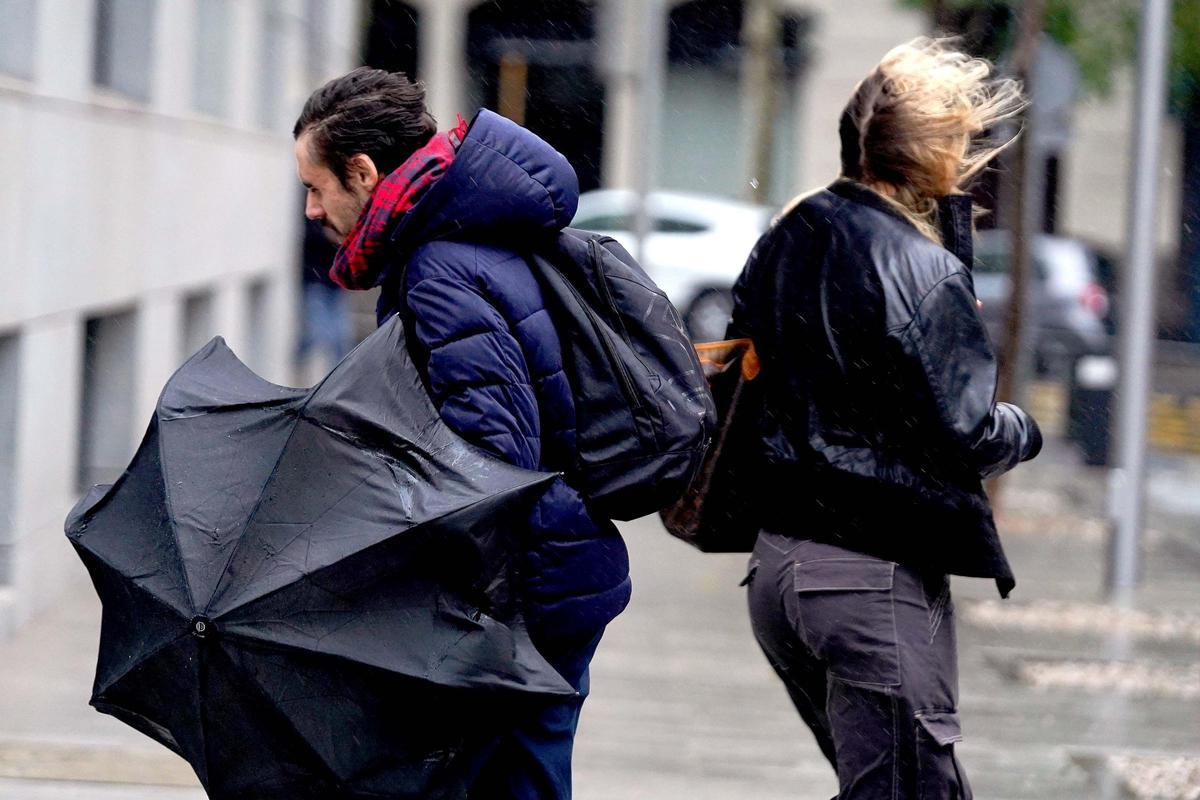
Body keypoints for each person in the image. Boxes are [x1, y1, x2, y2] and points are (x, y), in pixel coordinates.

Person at [292, 69, 631, 798]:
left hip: (517, 592)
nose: (313, 209)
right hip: (552, 568)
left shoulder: (439, 268)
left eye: (318, 187)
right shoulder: (469, 237)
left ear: (364, 172)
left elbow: (489, 464)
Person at [729, 38, 1042, 799]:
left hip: (780, 567)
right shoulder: (921, 269)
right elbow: (966, 432)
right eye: (964, 143)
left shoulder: (788, 235)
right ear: (937, 156)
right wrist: (1021, 428)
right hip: (868, 576)